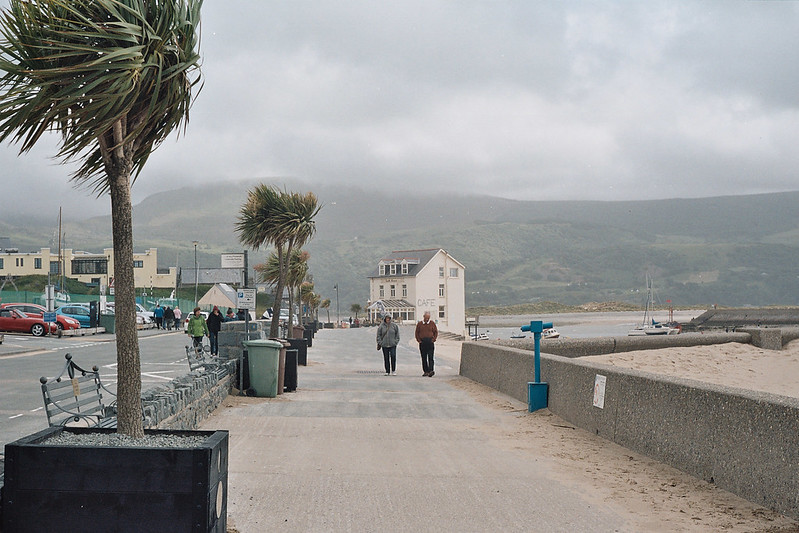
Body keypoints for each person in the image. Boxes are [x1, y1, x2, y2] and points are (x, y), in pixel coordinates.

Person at [415, 311, 438, 377]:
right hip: (422, 342)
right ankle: (426, 371)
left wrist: (433, 339)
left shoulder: (432, 323)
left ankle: (431, 370)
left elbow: (436, 332)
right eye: (426, 318)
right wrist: (419, 340)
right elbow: (417, 333)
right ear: (423, 317)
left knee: (431, 357)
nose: (427, 319)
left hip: (430, 341)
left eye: (428, 318)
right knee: (424, 357)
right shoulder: (420, 324)